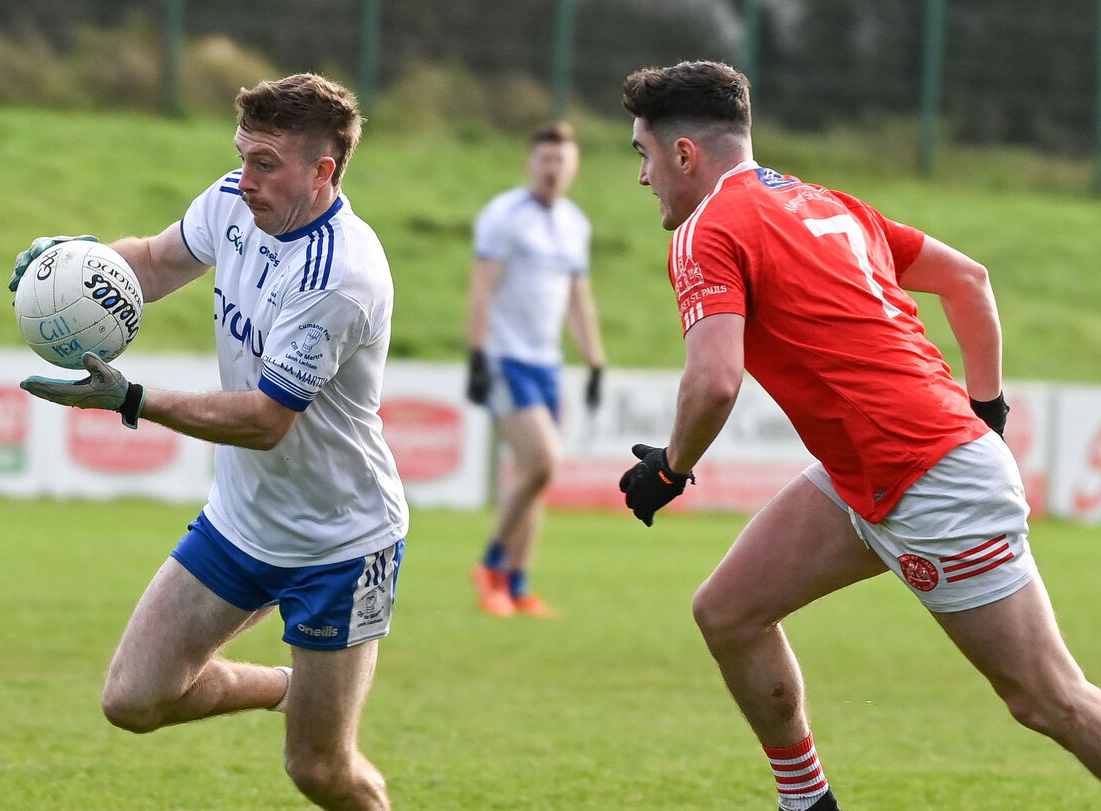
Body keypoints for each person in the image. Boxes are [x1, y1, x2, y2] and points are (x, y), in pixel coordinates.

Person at [617, 60, 1101, 810]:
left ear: (686, 155)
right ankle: (807, 803)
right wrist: (988, 407)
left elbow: (714, 381)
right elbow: (968, 279)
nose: (643, 178)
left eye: (644, 155)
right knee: (730, 611)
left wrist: (671, 469)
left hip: (931, 476)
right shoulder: (824, 201)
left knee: (1051, 700)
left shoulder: (708, 227)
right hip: (872, 471)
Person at [10, 74, 408, 810]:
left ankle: (317, 707)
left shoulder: (342, 278)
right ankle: (293, 687)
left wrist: (132, 398)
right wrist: (68, 263)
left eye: (266, 163)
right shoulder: (233, 200)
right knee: (133, 698)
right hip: (242, 521)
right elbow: (157, 262)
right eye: (243, 155)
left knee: (319, 770)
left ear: (323, 171)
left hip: (339, 543)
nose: (245, 177)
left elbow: (264, 420)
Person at [465, 122, 607, 617]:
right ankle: (489, 564)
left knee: (534, 476)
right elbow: (482, 286)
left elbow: (576, 297)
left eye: (562, 161)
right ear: (531, 163)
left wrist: (595, 361)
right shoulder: (504, 216)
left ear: (574, 167)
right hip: (506, 360)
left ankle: (516, 586)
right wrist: (477, 355)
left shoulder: (575, 224)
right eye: (545, 159)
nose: (553, 169)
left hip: (548, 364)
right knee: (544, 460)